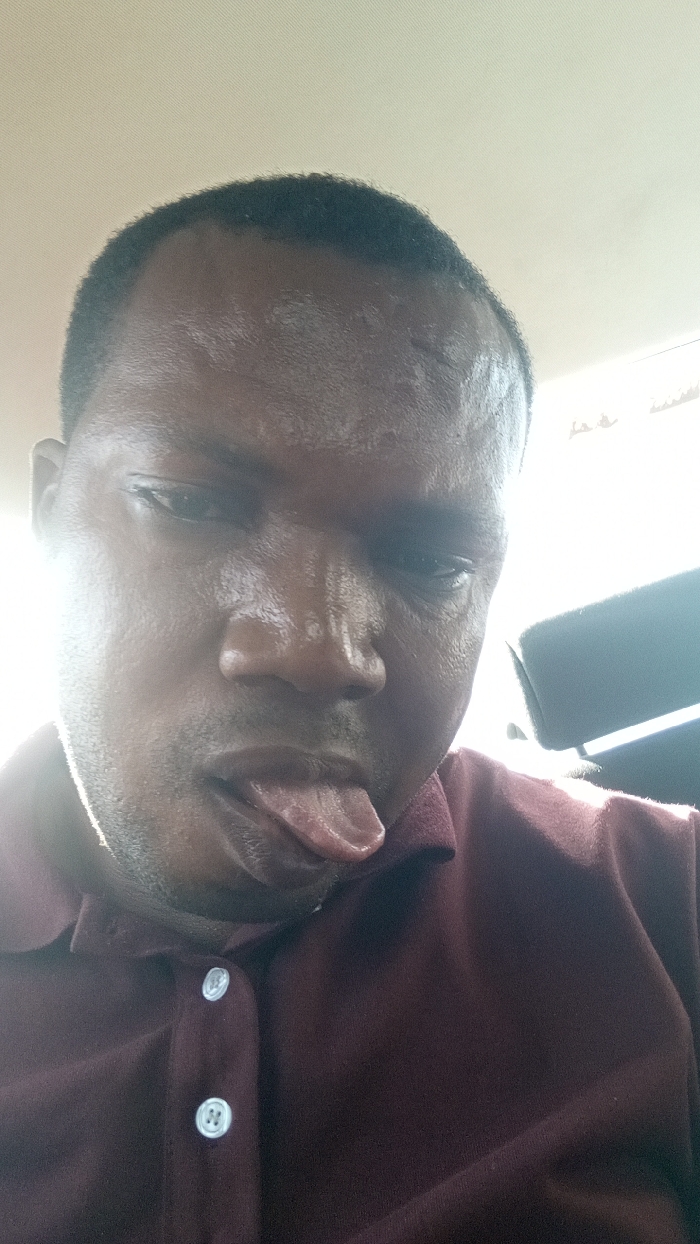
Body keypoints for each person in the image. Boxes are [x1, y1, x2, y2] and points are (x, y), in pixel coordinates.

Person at [0, 174, 697, 1244]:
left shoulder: (662, 905)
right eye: (190, 502)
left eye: (430, 561)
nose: (317, 647)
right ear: (52, 516)